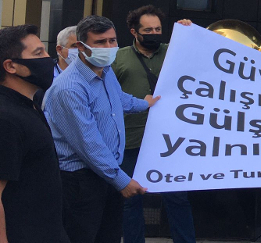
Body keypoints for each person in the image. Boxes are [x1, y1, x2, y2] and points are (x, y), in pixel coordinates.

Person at [44, 15, 161, 243]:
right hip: (80, 181)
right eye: (100, 42)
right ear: (81, 47)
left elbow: (119, 99)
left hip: (106, 175)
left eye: (112, 41)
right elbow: (89, 143)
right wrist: (121, 180)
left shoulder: (105, 71)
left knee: (108, 236)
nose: (108, 47)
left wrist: (145, 104)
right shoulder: (69, 88)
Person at [111, 5, 196, 243]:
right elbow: (110, 95)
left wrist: (189, 32)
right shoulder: (118, 58)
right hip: (131, 139)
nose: (154, 34)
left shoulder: (174, 50)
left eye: (158, 29)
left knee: (177, 198)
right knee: (131, 200)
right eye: (148, 30)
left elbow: (204, 56)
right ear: (134, 32)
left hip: (170, 141)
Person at [0, 25, 64, 242]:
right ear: (11, 66)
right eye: (38, 53)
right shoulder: (6, 118)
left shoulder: (31, 104)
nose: (48, 58)